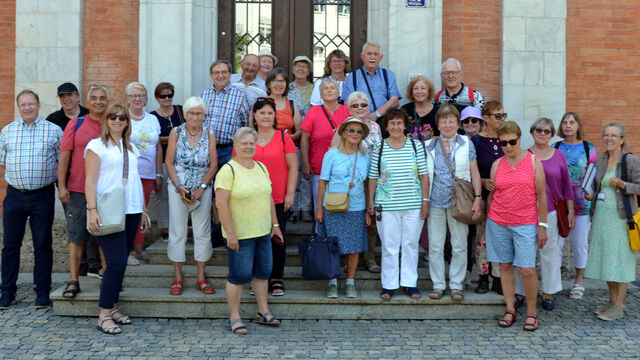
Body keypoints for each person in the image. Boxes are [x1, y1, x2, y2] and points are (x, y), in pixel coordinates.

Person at [215, 127, 284, 335]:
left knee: (263, 273)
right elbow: (221, 204)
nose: (248, 146)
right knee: (239, 274)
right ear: (235, 145)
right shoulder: (229, 170)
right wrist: (230, 233)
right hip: (240, 234)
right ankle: (234, 316)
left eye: (251, 143)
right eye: (243, 143)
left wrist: (275, 225)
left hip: (262, 232)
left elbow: (268, 198)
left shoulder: (261, 167)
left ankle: (263, 312)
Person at [85, 104, 147, 334]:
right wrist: (92, 210)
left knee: (122, 261)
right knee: (116, 262)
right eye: (113, 116)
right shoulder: (96, 146)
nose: (118, 120)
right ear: (106, 120)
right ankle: (103, 314)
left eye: (123, 117)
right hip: (108, 209)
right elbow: (90, 180)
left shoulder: (131, 147)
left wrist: (143, 210)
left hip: (131, 210)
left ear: (127, 122)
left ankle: (112, 307)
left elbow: (135, 179)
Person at [0, 90, 62, 310]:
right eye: (23, 104)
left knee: (43, 245)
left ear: (38, 104)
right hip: (14, 196)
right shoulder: (7, 132)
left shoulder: (54, 131)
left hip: (42, 195)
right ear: (19, 107)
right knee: (10, 246)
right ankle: (7, 291)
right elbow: (3, 161)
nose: (27, 108)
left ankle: (42, 292)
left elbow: (61, 163)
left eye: (31, 104)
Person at [486, 121, 548, 331]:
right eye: (504, 143)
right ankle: (510, 308)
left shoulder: (533, 162)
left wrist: (542, 226)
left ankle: (532, 312)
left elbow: (542, 195)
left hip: (525, 223)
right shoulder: (497, 164)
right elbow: (493, 196)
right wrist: (488, 223)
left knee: (527, 269)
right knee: (504, 266)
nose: (509, 146)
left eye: (512, 141)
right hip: (498, 222)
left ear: (520, 139)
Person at [367, 108, 429, 300]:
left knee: (410, 244)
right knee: (389, 246)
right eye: (392, 123)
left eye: (399, 123)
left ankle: (410, 284)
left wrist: (425, 201)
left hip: (413, 203)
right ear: (386, 126)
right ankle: (389, 285)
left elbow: (424, 176)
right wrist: (370, 201)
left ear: (405, 126)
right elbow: (372, 177)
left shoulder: (416, 145)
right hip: (386, 205)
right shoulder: (380, 147)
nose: (395, 126)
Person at [515, 118, 574, 311]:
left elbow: (566, 186)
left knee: (550, 253)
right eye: (539, 130)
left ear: (552, 134)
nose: (543, 133)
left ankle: (548, 292)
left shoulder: (559, 156)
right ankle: (521, 292)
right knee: (523, 254)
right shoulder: (523, 155)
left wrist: (571, 211)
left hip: (550, 212)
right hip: (526, 211)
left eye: (547, 131)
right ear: (532, 132)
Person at [424, 104, 482, 301]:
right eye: (443, 121)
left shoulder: (466, 143)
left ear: (458, 124)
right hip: (435, 202)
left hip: (460, 201)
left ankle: (456, 284)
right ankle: (438, 284)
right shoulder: (428, 145)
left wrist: (478, 198)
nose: (447, 125)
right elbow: (424, 176)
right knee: (435, 246)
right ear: (438, 124)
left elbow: (475, 173)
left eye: (451, 121)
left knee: (459, 244)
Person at [58, 84, 110, 299]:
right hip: (78, 189)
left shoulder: (113, 123)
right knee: (77, 236)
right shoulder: (76, 124)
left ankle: (109, 280)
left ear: (108, 101)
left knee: (106, 236)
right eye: (94, 98)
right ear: (87, 101)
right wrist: (62, 185)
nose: (98, 102)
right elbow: (64, 157)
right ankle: (73, 280)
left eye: (102, 98)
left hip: (105, 190)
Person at [584, 123, 640, 321]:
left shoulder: (630, 160)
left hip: (621, 219)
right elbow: (595, 188)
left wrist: (624, 185)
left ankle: (619, 305)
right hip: (601, 218)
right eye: (606, 135)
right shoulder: (600, 161)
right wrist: (590, 195)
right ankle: (611, 301)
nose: (609, 138)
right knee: (607, 260)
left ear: (622, 140)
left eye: (614, 135)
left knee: (620, 260)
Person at [165, 96, 218, 296]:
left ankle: (201, 277)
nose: (195, 117)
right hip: (178, 186)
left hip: (201, 187)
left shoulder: (210, 133)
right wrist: (179, 187)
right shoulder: (176, 132)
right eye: (191, 113)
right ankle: (177, 277)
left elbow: (213, 164)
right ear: (185, 114)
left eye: (199, 113)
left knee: (202, 231)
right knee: (177, 230)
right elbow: (169, 162)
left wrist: (202, 188)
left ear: (204, 115)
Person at [316, 117, 371, 298]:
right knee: (332, 244)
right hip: (332, 205)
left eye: (359, 131)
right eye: (351, 130)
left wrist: (369, 208)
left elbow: (367, 183)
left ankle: (350, 282)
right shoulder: (331, 154)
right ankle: (332, 281)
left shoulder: (365, 155)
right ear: (344, 133)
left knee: (354, 246)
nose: (355, 134)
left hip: (356, 206)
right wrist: (319, 209)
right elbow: (322, 183)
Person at [249, 97, 298, 296]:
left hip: (278, 196)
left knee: (277, 238)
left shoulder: (283, 137)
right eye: (262, 113)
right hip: (251, 198)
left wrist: (290, 193)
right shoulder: (247, 137)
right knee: (254, 239)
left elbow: (293, 167)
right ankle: (258, 278)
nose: (266, 116)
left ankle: (276, 278)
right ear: (255, 115)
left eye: (270, 113)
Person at [554, 112, 597, 299]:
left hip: (582, 204)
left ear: (578, 125)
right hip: (559, 204)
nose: (568, 126)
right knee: (557, 244)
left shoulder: (589, 148)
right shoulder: (555, 147)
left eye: (572, 122)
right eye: (565, 122)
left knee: (580, 244)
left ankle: (579, 281)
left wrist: (593, 194)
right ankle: (553, 282)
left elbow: (595, 174)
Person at [470, 101, 507, 294]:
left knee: (500, 239)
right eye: (497, 116)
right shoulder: (476, 141)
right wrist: (483, 181)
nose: (502, 119)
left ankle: (498, 278)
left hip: (504, 199)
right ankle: (483, 277)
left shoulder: (507, 140)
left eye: (503, 115)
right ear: (486, 118)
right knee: (482, 239)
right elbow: (470, 170)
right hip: (483, 198)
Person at [300, 78, 350, 217]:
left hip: (344, 167)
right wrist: (305, 164)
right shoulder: (314, 112)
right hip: (319, 166)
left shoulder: (347, 111)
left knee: (342, 205)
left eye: (332, 88)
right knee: (320, 207)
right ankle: (321, 236)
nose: (329, 90)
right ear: (320, 95)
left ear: (339, 93)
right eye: (325, 88)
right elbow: (304, 140)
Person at [125, 82, 162, 265]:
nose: (137, 99)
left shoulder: (152, 119)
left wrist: (158, 173)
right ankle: (129, 249)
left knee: (142, 211)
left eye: (141, 95)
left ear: (146, 99)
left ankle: (139, 246)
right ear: (127, 99)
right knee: (129, 211)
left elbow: (157, 147)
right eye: (133, 96)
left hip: (147, 174)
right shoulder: (122, 118)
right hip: (128, 174)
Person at [345, 92, 382, 274]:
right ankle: (350, 258)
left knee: (371, 217)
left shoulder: (375, 126)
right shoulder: (344, 128)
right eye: (355, 105)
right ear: (349, 108)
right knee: (351, 219)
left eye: (363, 105)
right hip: (352, 180)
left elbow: (381, 151)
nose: (360, 108)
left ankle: (370, 258)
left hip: (373, 178)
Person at [149, 82, 184, 242]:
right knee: (161, 194)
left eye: (169, 95)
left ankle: (182, 224)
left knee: (183, 191)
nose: (166, 98)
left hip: (181, 161)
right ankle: (165, 228)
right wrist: (172, 138)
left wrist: (167, 139)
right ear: (157, 98)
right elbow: (153, 140)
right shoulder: (152, 117)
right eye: (163, 96)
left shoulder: (180, 110)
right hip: (161, 161)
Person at [201, 59, 250, 167]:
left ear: (230, 74)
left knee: (227, 182)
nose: (220, 75)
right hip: (206, 149)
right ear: (211, 75)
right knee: (208, 182)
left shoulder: (240, 95)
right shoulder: (204, 94)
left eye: (224, 72)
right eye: (216, 73)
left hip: (229, 150)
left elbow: (245, 125)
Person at [341, 42, 401, 122]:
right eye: (369, 54)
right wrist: (362, 116)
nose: (372, 57)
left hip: (384, 121)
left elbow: (394, 101)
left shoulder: (388, 75)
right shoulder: (352, 77)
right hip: (359, 121)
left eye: (376, 54)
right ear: (362, 56)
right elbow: (347, 103)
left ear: (381, 57)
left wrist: (376, 114)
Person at [288, 55, 315, 223]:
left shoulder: (314, 88)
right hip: (290, 136)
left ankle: (305, 208)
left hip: (309, 135)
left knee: (306, 173)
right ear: (292, 70)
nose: (301, 69)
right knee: (292, 173)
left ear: (309, 71)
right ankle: (292, 207)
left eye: (304, 66)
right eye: (298, 66)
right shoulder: (287, 88)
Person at [266, 67, 302, 141]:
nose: (279, 84)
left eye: (282, 81)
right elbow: (253, 129)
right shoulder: (260, 103)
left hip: (286, 147)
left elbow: (299, 131)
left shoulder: (292, 105)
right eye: (275, 81)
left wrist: (285, 139)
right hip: (264, 147)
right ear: (269, 84)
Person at [400, 75, 438, 140]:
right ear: (411, 92)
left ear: (429, 91)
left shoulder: (437, 112)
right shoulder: (404, 110)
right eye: (415, 89)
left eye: (423, 88)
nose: (419, 92)